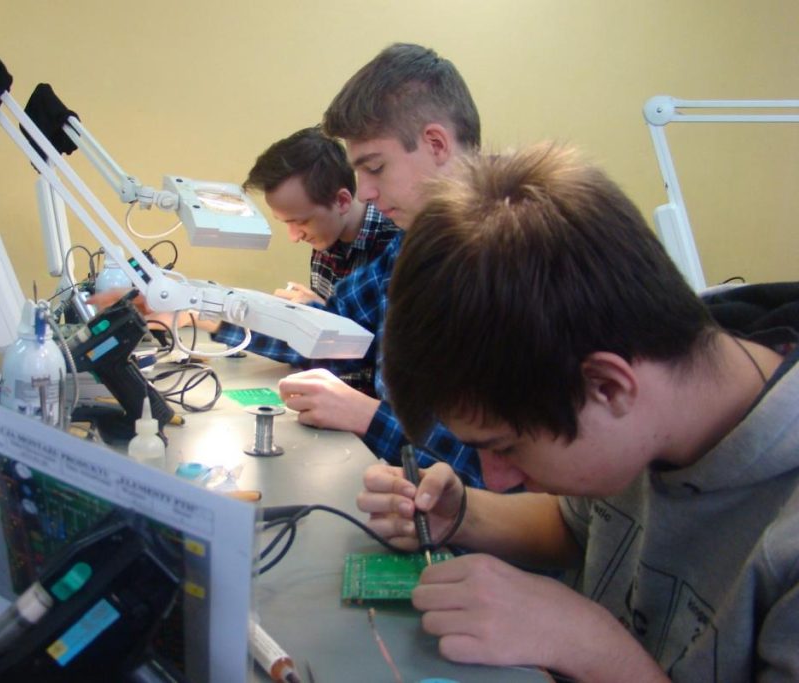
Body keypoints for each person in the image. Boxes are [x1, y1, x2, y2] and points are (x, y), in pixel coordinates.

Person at [358, 143, 799, 681]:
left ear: (609, 387)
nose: (496, 477)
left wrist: (589, 646)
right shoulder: (655, 374)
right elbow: (581, 524)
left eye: (506, 447)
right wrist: (466, 515)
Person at [211, 43, 483, 479]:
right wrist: (206, 309)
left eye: (375, 167)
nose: (365, 193)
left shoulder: (509, 263)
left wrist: (366, 416)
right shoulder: (410, 245)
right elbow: (329, 330)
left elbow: (501, 473)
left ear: (435, 143)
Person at [243, 126, 400, 306]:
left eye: (301, 222)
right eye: (286, 222)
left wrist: (324, 313)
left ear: (341, 201)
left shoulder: (397, 243)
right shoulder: (327, 235)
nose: (294, 237)